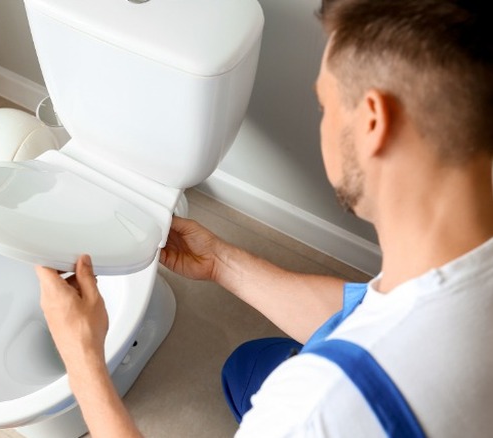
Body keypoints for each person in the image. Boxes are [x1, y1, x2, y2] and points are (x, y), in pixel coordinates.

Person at [35, 0, 493, 436]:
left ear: (374, 122)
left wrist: (83, 359)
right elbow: (378, 310)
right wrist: (221, 261)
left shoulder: (315, 409)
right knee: (247, 368)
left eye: (324, 105)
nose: (323, 122)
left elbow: (340, 389)